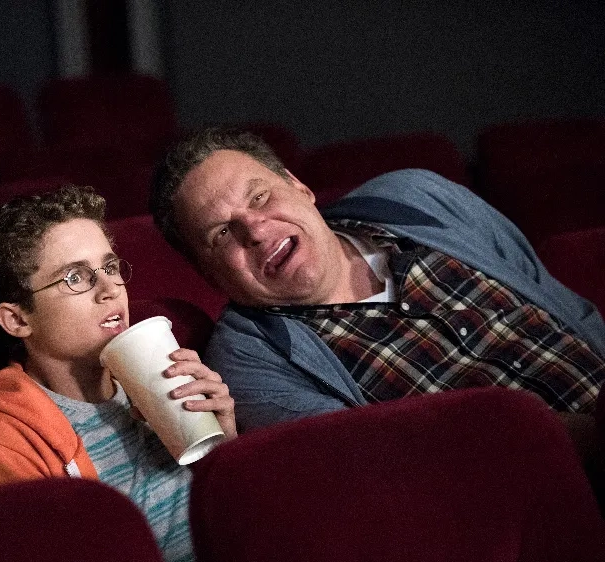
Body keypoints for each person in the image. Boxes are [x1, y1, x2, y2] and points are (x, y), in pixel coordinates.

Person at [148, 128, 605, 447]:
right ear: (209, 275)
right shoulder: (250, 363)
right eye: (222, 234)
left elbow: (566, 308)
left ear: (299, 186)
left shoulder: (415, 196)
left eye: (261, 196)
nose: (256, 229)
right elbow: (390, 476)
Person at [0, 184, 236, 562]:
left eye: (109, 267)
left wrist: (229, 447)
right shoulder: (3, 441)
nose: (110, 290)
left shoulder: (161, 376)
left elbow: (241, 523)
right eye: (76, 277)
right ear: (17, 319)